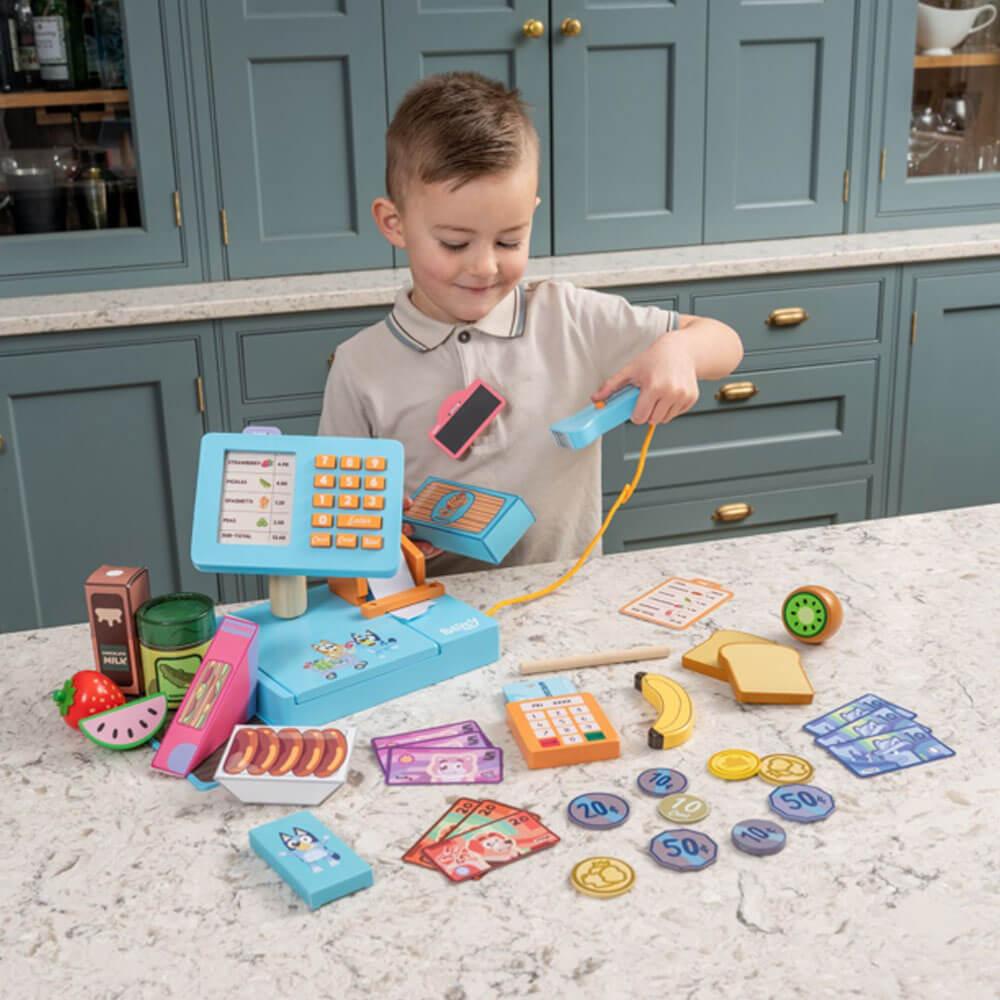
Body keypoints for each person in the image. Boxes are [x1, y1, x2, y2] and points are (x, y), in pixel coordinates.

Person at [319, 71, 743, 576]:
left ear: (531, 216)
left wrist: (679, 350)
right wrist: (381, 533)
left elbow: (725, 342)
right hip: (428, 612)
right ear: (394, 223)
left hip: (564, 601)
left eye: (509, 240)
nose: (484, 266)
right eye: (455, 243)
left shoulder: (571, 319)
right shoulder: (359, 366)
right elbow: (337, 526)